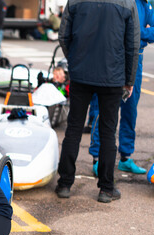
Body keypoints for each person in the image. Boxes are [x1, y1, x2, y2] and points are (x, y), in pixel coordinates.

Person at [56, 0, 139, 203]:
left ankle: (65, 183)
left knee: (74, 129)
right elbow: (132, 44)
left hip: (81, 74)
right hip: (112, 77)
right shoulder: (127, 3)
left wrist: (75, 61)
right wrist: (129, 80)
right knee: (108, 132)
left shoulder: (75, 1)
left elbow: (63, 36)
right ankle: (106, 188)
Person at [88, 0, 154, 177]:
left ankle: (125, 157)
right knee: (102, 109)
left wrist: (139, 32)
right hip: (113, 59)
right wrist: (142, 32)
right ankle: (97, 157)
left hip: (136, 60)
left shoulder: (145, 4)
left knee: (130, 111)